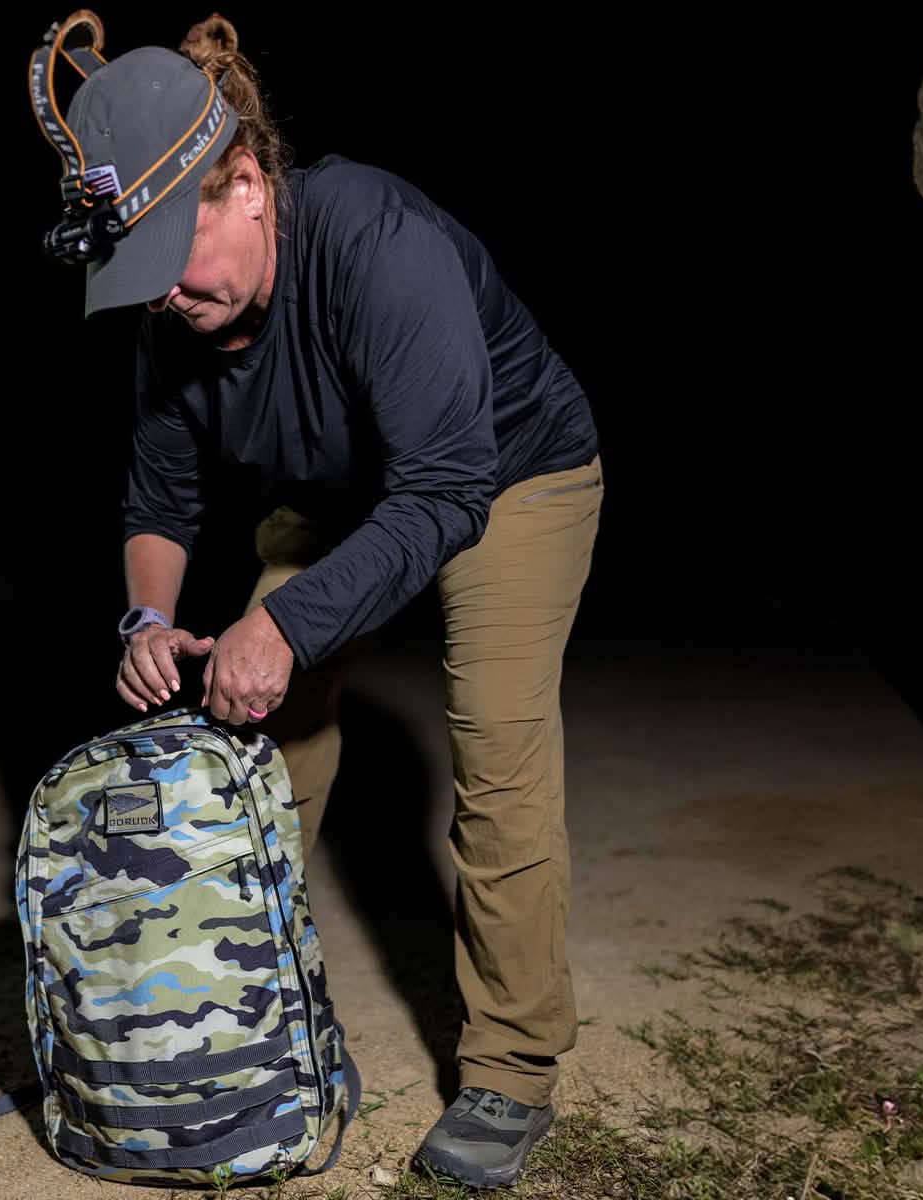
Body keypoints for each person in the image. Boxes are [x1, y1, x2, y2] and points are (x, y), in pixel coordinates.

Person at [63, 14, 603, 1189]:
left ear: (247, 184)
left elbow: (446, 488)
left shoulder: (374, 237)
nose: (159, 300)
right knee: (253, 733)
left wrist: (287, 623)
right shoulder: (180, 308)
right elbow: (157, 498)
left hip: (504, 477)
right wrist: (147, 623)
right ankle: (246, 1025)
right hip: (336, 489)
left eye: (170, 259)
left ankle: (513, 1067)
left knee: (498, 746)